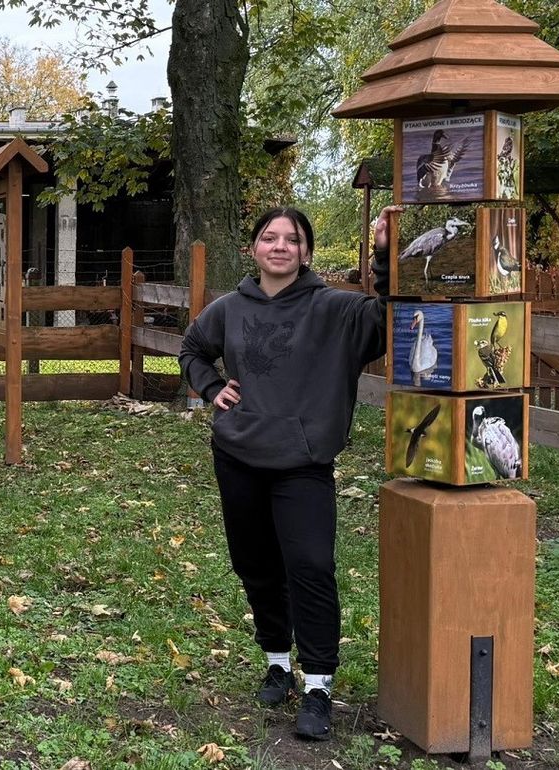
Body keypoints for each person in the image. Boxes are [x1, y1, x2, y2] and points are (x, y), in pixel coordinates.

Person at [178, 205, 395, 740]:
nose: (280, 247)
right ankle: (277, 661)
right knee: (255, 564)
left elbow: (391, 318)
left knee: (311, 567)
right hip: (237, 455)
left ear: (306, 252)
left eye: (292, 240)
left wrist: (387, 256)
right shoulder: (229, 309)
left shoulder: (336, 309)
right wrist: (211, 388)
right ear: (254, 248)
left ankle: (318, 684)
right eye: (270, 238)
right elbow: (192, 348)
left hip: (302, 463)